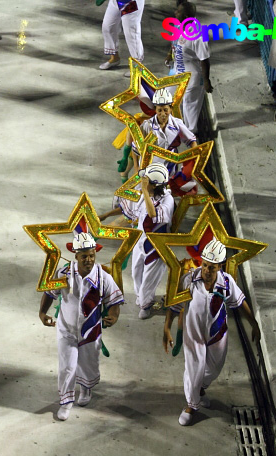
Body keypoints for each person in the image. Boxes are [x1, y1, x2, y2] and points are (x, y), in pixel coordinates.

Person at [162, 239, 261, 426]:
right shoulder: (189, 279)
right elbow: (174, 306)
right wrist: (167, 328)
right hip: (194, 333)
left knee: (214, 368)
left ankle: (199, 390)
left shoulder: (226, 282)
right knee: (194, 368)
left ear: (220, 266)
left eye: (212, 268)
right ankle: (192, 405)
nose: (206, 271)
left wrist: (254, 324)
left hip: (218, 332)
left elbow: (240, 303)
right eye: (205, 265)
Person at [37, 233, 123, 421]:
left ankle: (86, 387)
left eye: (92, 255)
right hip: (66, 329)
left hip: (91, 332)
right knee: (67, 366)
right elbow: (50, 293)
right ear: (75, 256)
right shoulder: (63, 273)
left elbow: (115, 299)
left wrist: (113, 316)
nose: (89, 260)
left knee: (88, 364)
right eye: (84, 256)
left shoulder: (103, 277)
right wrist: (43, 313)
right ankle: (66, 401)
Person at [99, 163, 175, 319]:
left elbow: (153, 214)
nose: (142, 182)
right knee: (136, 274)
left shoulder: (168, 200)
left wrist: (146, 193)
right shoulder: (143, 194)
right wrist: (106, 215)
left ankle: (146, 307)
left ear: (154, 185)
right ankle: (143, 301)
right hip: (140, 241)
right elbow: (126, 208)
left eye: (146, 180)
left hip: (157, 246)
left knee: (149, 279)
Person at [136, 88, 199, 196]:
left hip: (169, 165)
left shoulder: (177, 124)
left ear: (171, 109)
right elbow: (136, 148)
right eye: (159, 110)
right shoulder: (146, 125)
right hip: (150, 164)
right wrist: (137, 169)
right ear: (155, 110)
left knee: (164, 193)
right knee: (144, 193)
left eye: (165, 110)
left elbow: (192, 141)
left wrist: (194, 162)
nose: (163, 114)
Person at [165, 1, 213, 134]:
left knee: (189, 103)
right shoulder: (178, 24)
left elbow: (204, 59)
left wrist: (207, 81)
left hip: (192, 75)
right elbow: (175, 40)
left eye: (178, 11)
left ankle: (191, 133)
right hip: (177, 70)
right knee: (166, 97)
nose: (175, 13)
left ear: (186, 16)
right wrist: (170, 54)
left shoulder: (198, 34)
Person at [99, 0, 145, 78]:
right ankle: (114, 58)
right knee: (108, 27)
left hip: (132, 2)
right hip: (116, 1)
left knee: (131, 33)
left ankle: (137, 66)